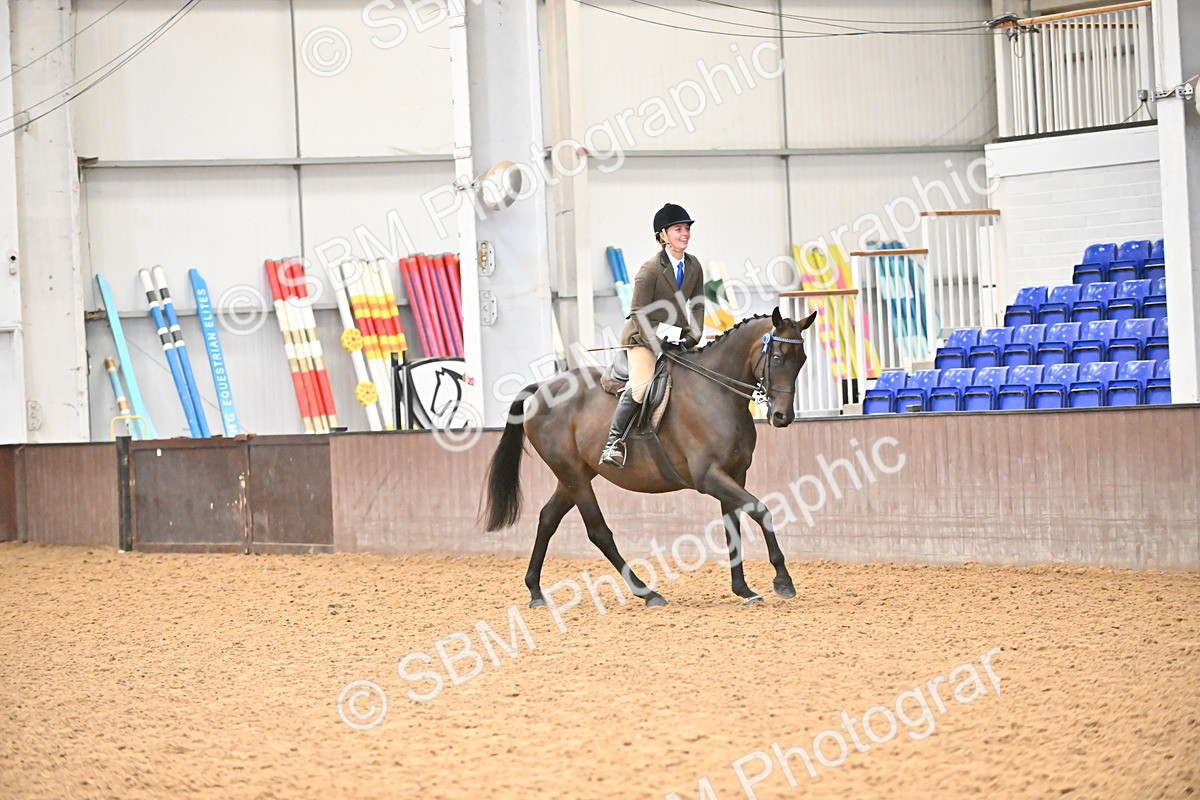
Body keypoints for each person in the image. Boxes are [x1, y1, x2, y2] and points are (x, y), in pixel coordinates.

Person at [599, 203, 706, 468]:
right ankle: (613, 442)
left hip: (679, 337)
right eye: (679, 229)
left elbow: (699, 303)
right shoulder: (650, 270)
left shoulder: (693, 267)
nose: (685, 234)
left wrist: (694, 334)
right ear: (663, 235)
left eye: (687, 229)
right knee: (641, 385)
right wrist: (657, 344)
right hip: (644, 338)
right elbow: (637, 311)